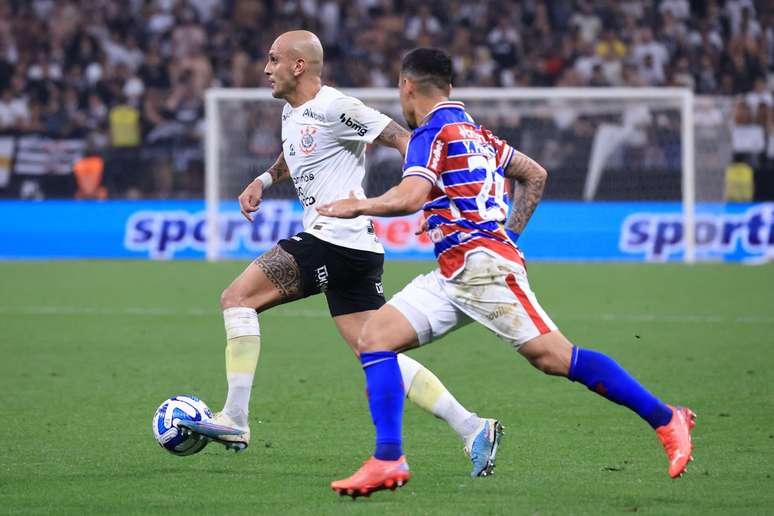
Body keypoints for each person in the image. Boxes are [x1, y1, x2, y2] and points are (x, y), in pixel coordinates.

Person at [321, 47, 696, 498]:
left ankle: (666, 418)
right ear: (450, 88)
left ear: (407, 86)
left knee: (555, 358)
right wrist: (507, 234)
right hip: (456, 270)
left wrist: (359, 204)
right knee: (374, 339)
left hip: (482, 267)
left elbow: (409, 196)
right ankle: (387, 459)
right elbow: (533, 174)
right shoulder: (476, 133)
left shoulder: (430, 132)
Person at [181, 32, 503, 477]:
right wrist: (263, 179)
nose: (265, 68)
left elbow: (402, 138)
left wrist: (432, 194)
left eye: (273, 59)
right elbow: (296, 154)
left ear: (298, 66)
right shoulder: (292, 111)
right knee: (375, 351)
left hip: (336, 239)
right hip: (357, 251)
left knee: (238, 298)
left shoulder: (338, 107)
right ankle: (472, 426)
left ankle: (235, 418)